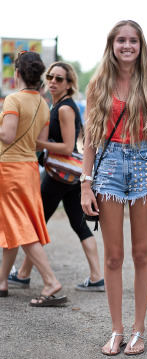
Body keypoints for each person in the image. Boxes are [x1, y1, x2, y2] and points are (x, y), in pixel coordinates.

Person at [81, 20, 147, 355]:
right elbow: (90, 139)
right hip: (108, 169)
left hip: (145, 164)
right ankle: (116, 330)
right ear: (112, 44)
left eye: (133, 41)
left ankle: (139, 330)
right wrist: (85, 186)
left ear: (140, 45)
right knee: (114, 256)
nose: (127, 46)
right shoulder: (98, 84)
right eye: (121, 40)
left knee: (141, 252)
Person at [8, 62, 105, 292]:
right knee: (78, 224)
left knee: (35, 223)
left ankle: (23, 274)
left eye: (59, 78)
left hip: (59, 176)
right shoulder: (57, 105)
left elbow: (68, 146)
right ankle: (96, 277)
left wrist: (34, 141)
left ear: (69, 83)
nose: (53, 81)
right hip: (68, 176)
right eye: (50, 76)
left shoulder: (64, 109)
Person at [0, 51, 66, 306]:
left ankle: (50, 281)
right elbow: (41, 142)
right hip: (28, 168)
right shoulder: (43, 103)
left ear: (17, 73)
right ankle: (3, 282)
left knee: (19, 226)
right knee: (15, 223)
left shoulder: (13, 100)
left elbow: (6, 136)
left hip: (9, 168)